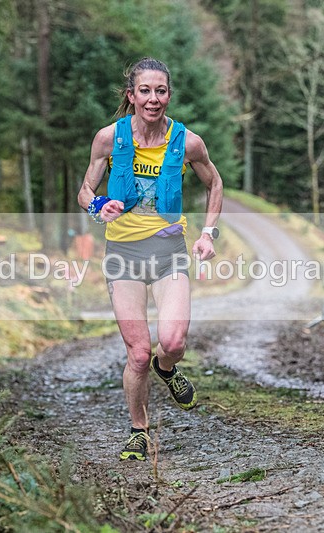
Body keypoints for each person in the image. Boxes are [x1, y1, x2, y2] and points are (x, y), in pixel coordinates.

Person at [77, 57, 224, 461]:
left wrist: (208, 233)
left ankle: (168, 367)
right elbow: (85, 190)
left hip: (168, 252)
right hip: (123, 255)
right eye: (145, 91)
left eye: (160, 91)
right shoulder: (108, 138)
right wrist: (99, 206)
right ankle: (139, 431)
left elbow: (214, 183)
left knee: (172, 342)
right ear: (132, 95)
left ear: (169, 96)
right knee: (138, 353)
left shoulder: (188, 142)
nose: (153, 99)